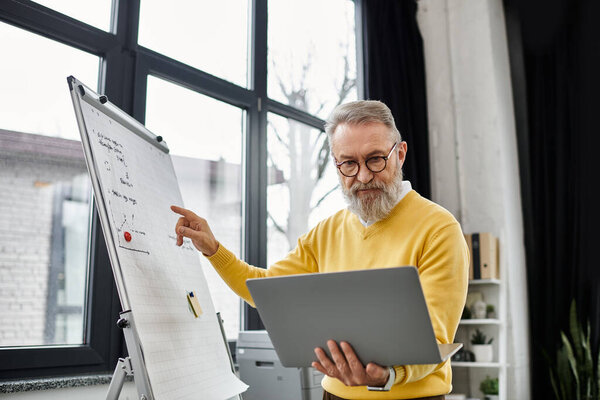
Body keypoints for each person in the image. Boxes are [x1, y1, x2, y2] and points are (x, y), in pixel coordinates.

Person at [171, 100, 469, 400]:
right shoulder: (325, 232)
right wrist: (213, 249)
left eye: (376, 159)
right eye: (349, 164)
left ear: (400, 154)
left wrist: (390, 374)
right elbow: (262, 289)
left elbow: (435, 339)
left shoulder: (439, 229)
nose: (363, 176)